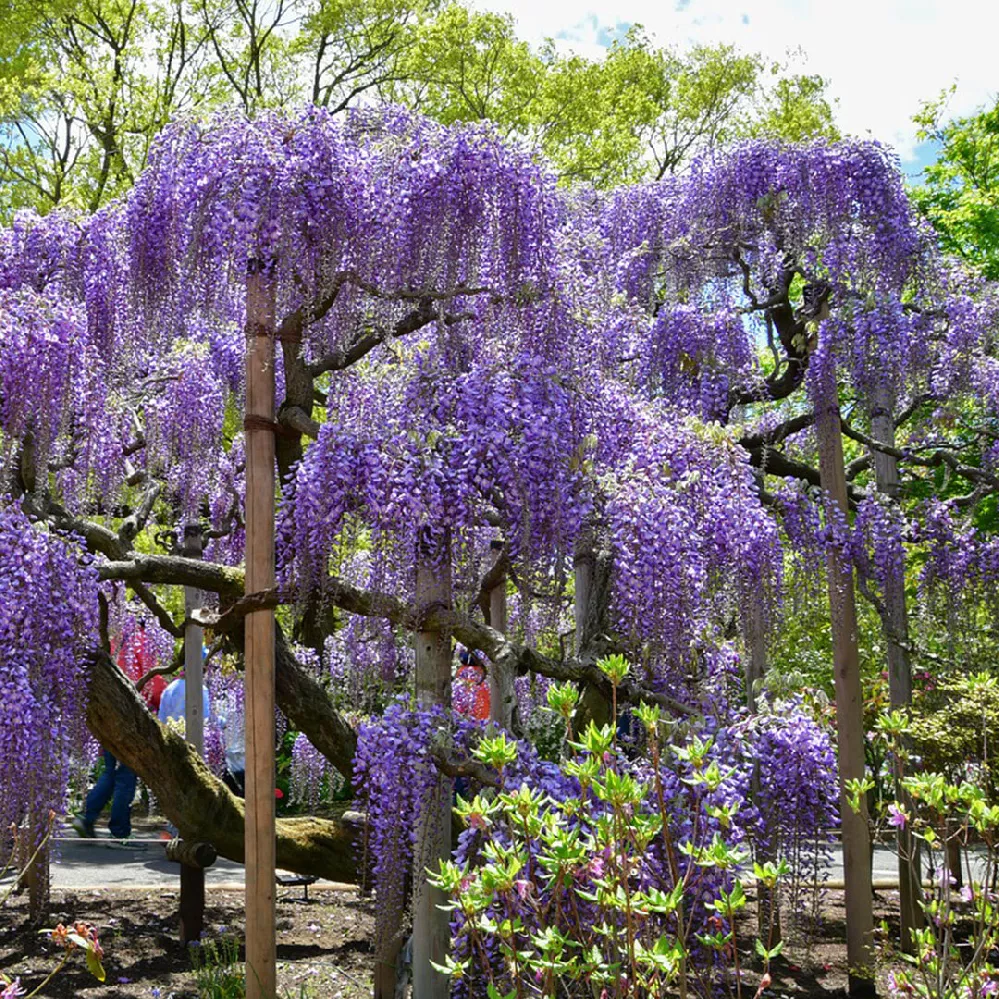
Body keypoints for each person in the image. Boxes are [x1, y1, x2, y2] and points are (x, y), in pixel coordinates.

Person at [71, 621, 161, 841]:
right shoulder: (141, 642)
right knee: (125, 777)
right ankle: (120, 833)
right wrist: (161, 702)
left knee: (112, 773)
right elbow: (153, 684)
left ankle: (85, 817)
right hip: (130, 720)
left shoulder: (115, 642)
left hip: (107, 716)